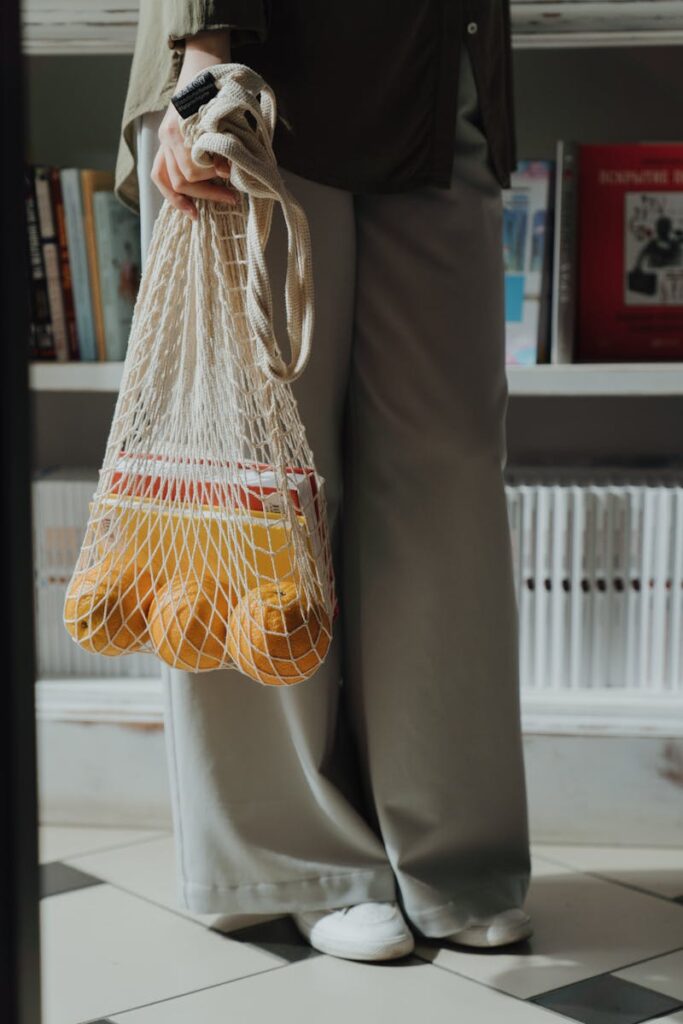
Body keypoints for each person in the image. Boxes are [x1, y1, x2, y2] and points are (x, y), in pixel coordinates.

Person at [115, 0, 533, 962]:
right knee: (260, 474)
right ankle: (290, 856)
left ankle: (451, 847)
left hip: (434, 68)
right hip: (257, 61)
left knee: (449, 472)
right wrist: (198, 59)